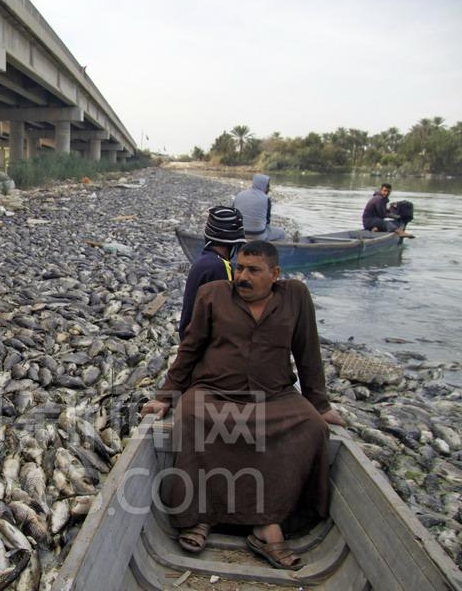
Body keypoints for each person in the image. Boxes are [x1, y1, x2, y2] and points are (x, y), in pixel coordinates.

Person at [142, 241, 344, 570]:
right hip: (215, 391)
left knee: (311, 428)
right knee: (191, 415)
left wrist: (319, 404)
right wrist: (165, 396)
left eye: (253, 270)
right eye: (239, 268)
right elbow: (190, 349)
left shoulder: (295, 296)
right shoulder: (213, 295)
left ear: (275, 274)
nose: (243, 277)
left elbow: (308, 352)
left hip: (274, 395)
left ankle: (268, 523)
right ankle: (200, 516)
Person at [178, 206, 245, 340]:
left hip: (188, 336)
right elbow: (226, 314)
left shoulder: (204, 261)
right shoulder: (220, 267)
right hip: (201, 343)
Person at [233, 174, 286, 242]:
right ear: (263, 185)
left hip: (239, 234)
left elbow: (233, 214)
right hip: (258, 235)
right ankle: (271, 248)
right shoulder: (266, 199)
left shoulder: (239, 194)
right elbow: (267, 221)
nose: (269, 189)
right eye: (267, 186)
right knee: (282, 234)